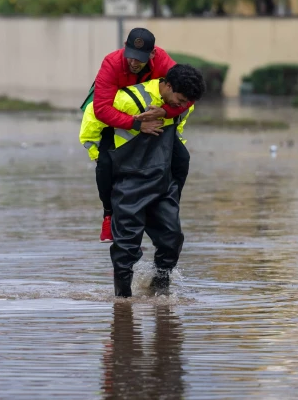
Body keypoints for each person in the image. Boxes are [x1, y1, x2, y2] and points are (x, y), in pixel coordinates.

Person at [79, 63, 205, 298]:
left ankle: (160, 294)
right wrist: (103, 159)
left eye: (188, 101)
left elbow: (178, 133)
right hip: (128, 182)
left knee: (172, 240)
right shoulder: (129, 99)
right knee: (126, 248)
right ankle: (122, 304)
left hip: (163, 182)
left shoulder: (183, 105)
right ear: (167, 85)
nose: (182, 105)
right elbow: (90, 125)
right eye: (180, 99)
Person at [90, 28, 193, 243]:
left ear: (153, 55)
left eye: (141, 59)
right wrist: (136, 125)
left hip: (155, 119)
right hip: (116, 120)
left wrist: (166, 112)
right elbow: (101, 109)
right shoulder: (111, 63)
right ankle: (109, 214)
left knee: (182, 160)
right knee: (105, 165)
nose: (134, 63)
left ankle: (168, 208)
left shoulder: (164, 61)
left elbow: (190, 93)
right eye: (131, 56)